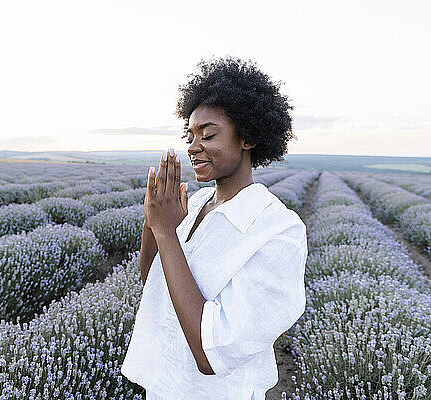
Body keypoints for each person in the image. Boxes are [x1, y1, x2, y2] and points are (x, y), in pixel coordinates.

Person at [120, 56, 308, 399]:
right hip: (165, 387)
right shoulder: (197, 204)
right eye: (189, 136)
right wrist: (154, 222)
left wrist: (166, 233)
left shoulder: (278, 230)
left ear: (248, 137)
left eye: (207, 135)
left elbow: (211, 353)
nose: (192, 147)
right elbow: (155, 281)